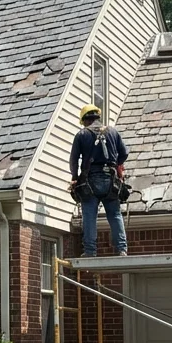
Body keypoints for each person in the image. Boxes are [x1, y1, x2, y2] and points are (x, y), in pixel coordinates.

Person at [70, 104, 128, 256]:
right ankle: (122, 249)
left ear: (84, 120)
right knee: (115, 214)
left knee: (90, 216)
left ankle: (90, 251)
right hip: (111, 179)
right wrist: (115, 164)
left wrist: (75, 178)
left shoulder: (82, 135)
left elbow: (74, 160)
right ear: (97, 117)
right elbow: (124, 153)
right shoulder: (113, 132)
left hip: (90, 180)